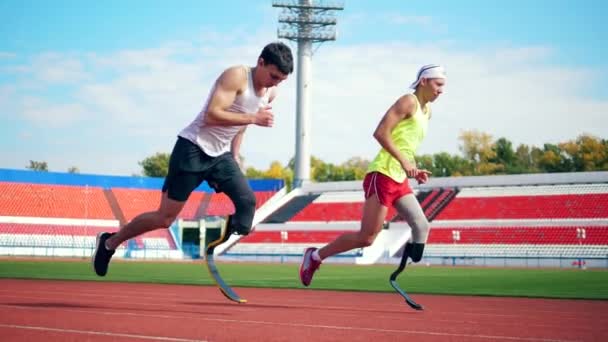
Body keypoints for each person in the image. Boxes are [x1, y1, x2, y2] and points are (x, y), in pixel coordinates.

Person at [93, 42, 294, 276]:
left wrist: (235, 154)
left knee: (247, 203)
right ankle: (109, 243)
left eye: (281, 80)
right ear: (260, 62)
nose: (275, 83)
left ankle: (216, 243)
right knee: (164, 218)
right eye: (273, 76)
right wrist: (252, 118)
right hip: (193, 148)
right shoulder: (236, 76)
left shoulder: (271, 92)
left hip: (220, 156)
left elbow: (241, 126)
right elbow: (211, 115)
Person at [299, 64, 446, 286]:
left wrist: (413, 168)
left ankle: (407, 269)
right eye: (438, 84)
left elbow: (405, 144)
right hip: (383, 174)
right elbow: (380, 133)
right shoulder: (408, 101)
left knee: (422, 226)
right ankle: (315, 256)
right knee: (367, 238)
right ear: (424, 81)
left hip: (400, 178)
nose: (441, 90)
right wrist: (404, 162)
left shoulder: (427, 112)